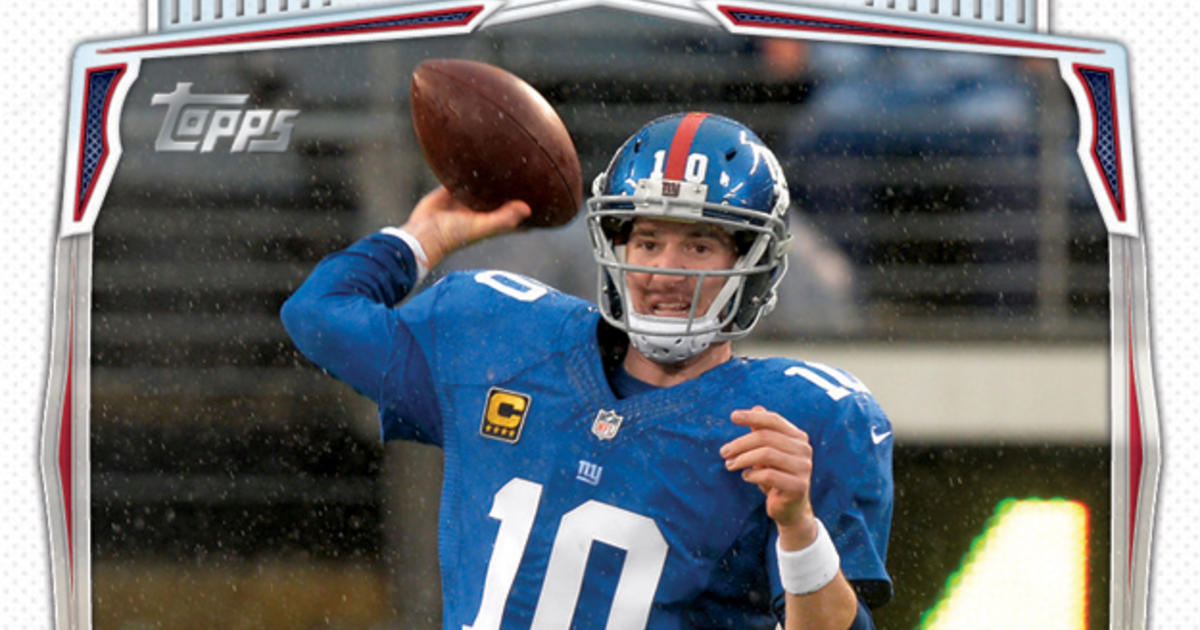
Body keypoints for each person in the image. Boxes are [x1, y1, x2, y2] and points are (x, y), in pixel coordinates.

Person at [281, 112, 893, 630]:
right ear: (613, 246)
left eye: (699, 246)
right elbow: (318, 315)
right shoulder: (506, 339)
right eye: (648, 241)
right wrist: (421, 240)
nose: (665, 273)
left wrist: (799, 528)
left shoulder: (800, 421)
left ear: (753, 266)